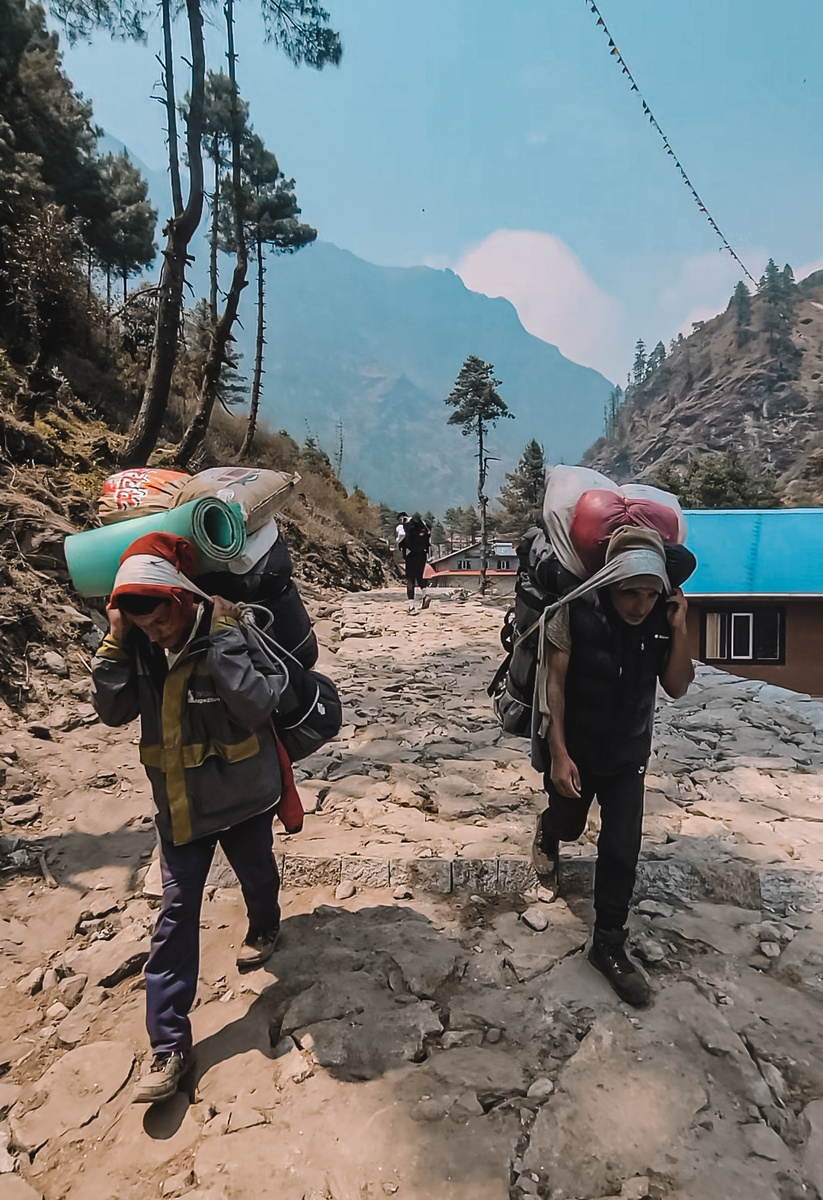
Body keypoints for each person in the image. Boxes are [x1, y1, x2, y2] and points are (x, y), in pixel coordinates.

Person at [91, 532, 289, 1103]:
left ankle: (265, 925)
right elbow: (112, 711)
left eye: (160, 622)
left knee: (256, 872)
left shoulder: (231, 627)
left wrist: (226, 639)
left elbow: (257, 703)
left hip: (244, 797)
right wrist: (116, 641)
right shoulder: (137, 645)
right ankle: (169, 1045)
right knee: (175, 917)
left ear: (180, 600)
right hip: (181, 806)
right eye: (143, 626)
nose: (155, 633)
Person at [531, 526, 694, 1006]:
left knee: (621, 847)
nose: (640, 605)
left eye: (650, 594)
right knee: (570, 825)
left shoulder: (663, 619)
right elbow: (554, 686)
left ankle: (607, 944)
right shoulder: (573, 610)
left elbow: (677, 686)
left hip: (628, 754)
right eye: (630, 593)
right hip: (577, 749)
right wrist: (559, 754)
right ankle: (548, 830)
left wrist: (680, 627)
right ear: (610, 582)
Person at [399, 511, 431, 614]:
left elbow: (401, 535)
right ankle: (425, 594)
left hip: (410, 554)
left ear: (402, 518)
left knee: (410, 579)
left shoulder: (404, 526)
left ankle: (412, 607)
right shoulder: (422, 524)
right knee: (419, 576)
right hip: (422, 554)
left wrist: (398, 542)